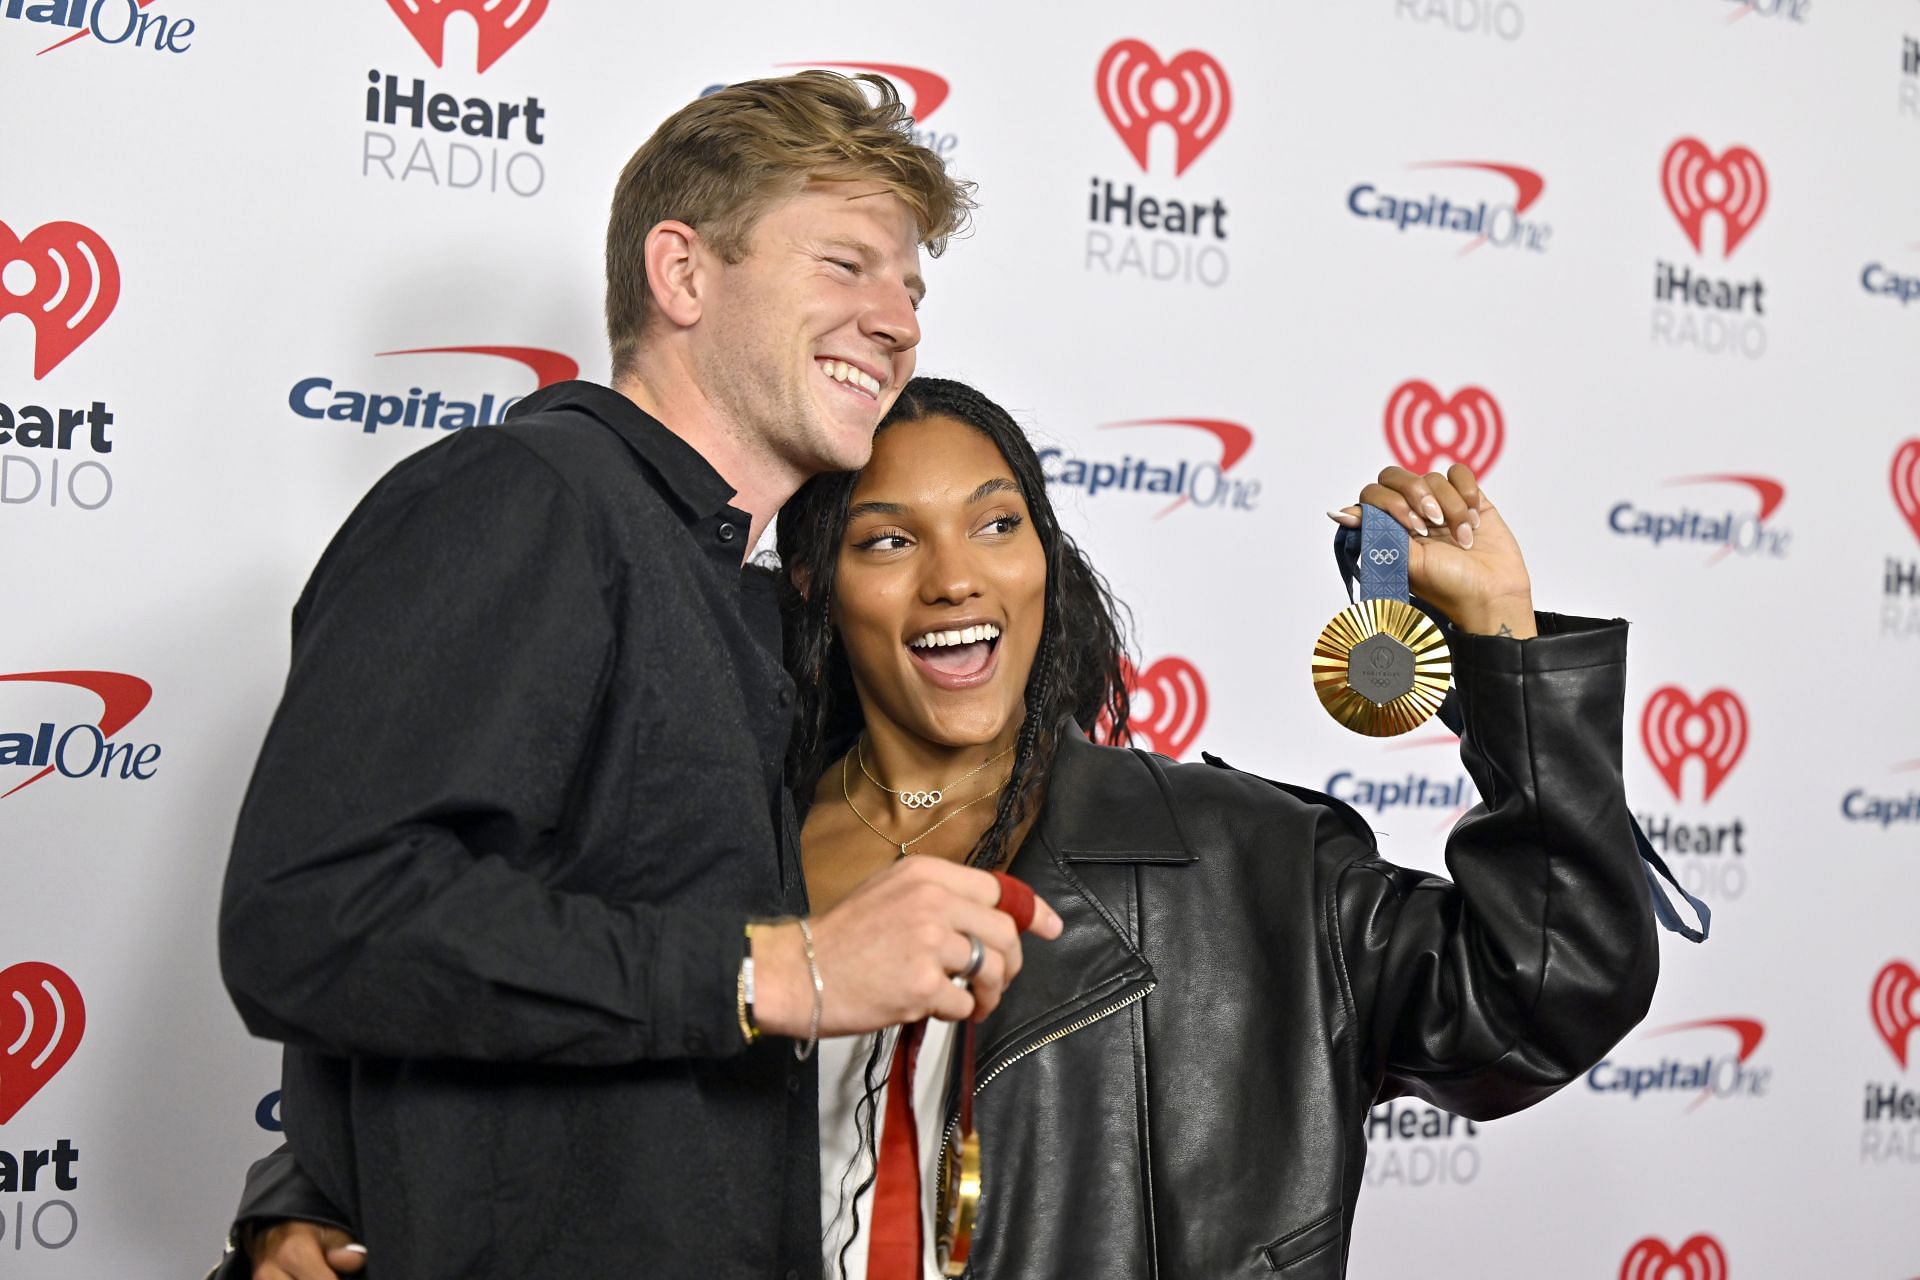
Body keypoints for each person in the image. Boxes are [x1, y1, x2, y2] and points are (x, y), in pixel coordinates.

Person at [240, 376, 1660, 1278]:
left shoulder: (1244, 863)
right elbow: (492, 996)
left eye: (995, 524)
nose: (948, 581)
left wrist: (1506, 655)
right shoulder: (702, 857)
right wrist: (307, 1200)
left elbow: (1547, 989)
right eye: (883, 538)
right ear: (814, 590)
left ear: (1051, 563)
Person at [216, 77, 1066, 1280]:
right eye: (846, 266)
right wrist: (786, 970)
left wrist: (315, 1179)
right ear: (681, 275)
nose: (896, 322)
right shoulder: (526, 498)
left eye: (911, 290)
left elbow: (458, 924)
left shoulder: (737, 598)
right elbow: (315, 917)